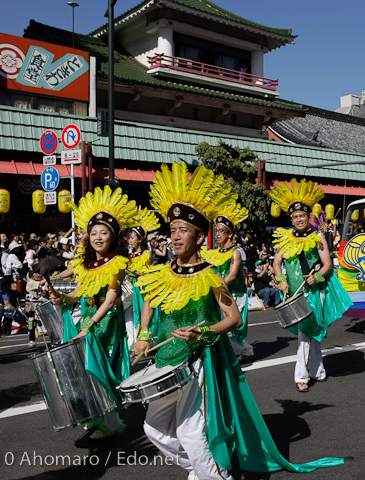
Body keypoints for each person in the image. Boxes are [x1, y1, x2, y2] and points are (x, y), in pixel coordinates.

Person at [135, 163, 344, 478]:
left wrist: (203, 331)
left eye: (183, 230)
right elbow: (149, 302)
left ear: (197, 236)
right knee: (153, 429)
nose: (175, 237)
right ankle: (201, 467)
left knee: (191, 432)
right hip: (165, 361)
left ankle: (215, 475)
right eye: (173, 230)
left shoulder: (211, 277)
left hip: (196, 361)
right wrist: (143, 333)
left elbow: (232, 317)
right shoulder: (160, 273)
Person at [50, 186, 139, 439]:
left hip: (106, 322)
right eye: (94, 233)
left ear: (113, 238)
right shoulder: (87, 265)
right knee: (85, 369)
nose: (98, 237)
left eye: (104, 233)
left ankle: (110, 422)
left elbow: (111, 300)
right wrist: (61, 299)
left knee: (99, 369)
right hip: (90, 319)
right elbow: (79, 293)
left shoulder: (117, 263)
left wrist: (90, 325)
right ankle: (95, 414)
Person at [270, 178, 353, 392]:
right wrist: (281, 282)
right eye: (295, 216)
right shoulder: (285, 239)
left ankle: (313, 371)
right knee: (305, 333)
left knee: (311, 331)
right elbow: (277, 263)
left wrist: (316, 278)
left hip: (314, 291)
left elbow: (327, 266)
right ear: (291, 218)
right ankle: (308, 374)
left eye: (302, 216)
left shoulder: (318, 237)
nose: (299, 219)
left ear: (308, 217)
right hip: (294, 295)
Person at [201, 202, 255, 362]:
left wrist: (215, 287)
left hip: (235, 294)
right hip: (222, 292)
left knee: (233, 327)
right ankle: (245, 350)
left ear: (230, 234)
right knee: (223, 326)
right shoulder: (214, 253)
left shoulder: (236, 252)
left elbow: (231, 276)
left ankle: (241, 351)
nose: (217, 234)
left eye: (221, 231)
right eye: (216, 231)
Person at [124, 207, 161, 349]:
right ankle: (133, 340)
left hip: (142, 287)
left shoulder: (146, 254)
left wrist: (132, 272)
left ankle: (145, 338)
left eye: (132, 238)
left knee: (141, 313)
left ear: (140, 239)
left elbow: (144, 271)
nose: (130, 240)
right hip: (131, 287)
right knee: (132, 314)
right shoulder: (130, 254)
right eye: (129, 237)